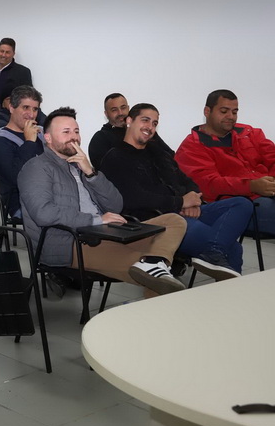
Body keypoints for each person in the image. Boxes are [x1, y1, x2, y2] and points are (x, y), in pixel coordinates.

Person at [18, 107, 188, 295]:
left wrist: (91, 172)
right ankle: (152, 267)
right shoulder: (36, 167)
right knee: (156, 277)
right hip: (68, 243)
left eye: (76, 131)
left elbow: (116, 205)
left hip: (104, 234)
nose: (73, 137)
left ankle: (153, 262)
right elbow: (43, 213)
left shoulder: (80, 166)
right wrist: (96, 220)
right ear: (48, 138)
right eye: (66, 132)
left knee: (174, 221)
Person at [100, 103, 250, 279]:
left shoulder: (157, 153)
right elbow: (133, 199)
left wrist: (192, 201)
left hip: (182, 212)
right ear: (129, 121)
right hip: (155, 221)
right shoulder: (115, 157)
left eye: (155, 123)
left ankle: (213, 251)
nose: (150, 127)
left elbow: (187, 180)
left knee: (242, 204)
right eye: (145, 120)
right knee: (234, 248)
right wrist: (180, 203)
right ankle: (215, 254)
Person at [176, 89, 275, 235]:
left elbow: (272, 157)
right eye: (224, 111)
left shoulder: (249, 132)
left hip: (268, 192)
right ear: (207, 111)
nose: (231, 116)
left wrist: (270, 183)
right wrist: (251, 185)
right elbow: (209, 185)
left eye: (234, 112)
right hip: (240, 204)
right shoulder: (192, 146)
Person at [0, 85, 45, 219]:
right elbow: (17, 177)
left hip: (47, 194)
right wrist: (29, 142)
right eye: (25, 107)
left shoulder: (40, 134)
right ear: (11, 108)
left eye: (35, 109)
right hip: (21, 203)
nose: (31, 114)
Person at [88, 92, 173, 167]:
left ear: (128, 108)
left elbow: (171, 156)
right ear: (106, 114)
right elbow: (104, 171)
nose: (120, 113)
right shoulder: (100, 138)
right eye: (114, 110)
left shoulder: (145, 132)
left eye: (123, 107)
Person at [0, 38, 33, 144]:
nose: (3, 55)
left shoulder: (23, 72)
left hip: (8, 123)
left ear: (13, 54)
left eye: (7, 52)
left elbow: (28, 99)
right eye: (2, 51)